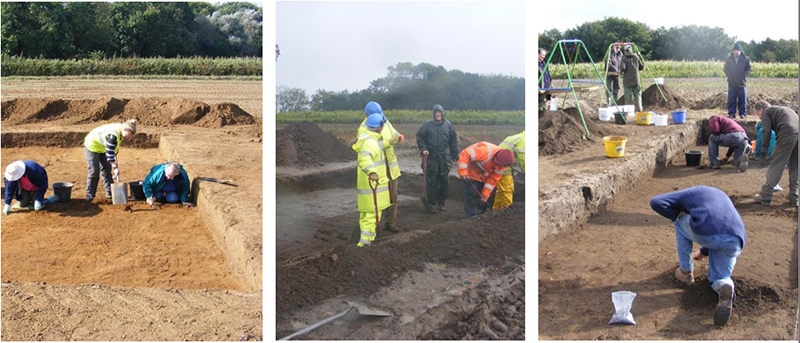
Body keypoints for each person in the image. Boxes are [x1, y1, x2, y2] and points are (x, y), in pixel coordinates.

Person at [650, 186, 747, 326]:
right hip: (736, 239)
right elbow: (718, 224)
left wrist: (677, 214)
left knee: (678, 220)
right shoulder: (716, 195)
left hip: (708, 233)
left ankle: (686, 271)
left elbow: (656, 202)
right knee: (721, 277)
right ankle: (724, 286)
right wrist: (703, 252)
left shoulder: (685, 195)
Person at [358, 101, 404, 232]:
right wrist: (389, 143)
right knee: (376, 199)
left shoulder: (384, 121)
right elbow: (371, 148)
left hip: (390, 167)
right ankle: (372, 227)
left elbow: (393, 133)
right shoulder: (363, 129)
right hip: (377, 170)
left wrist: (398, 137)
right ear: (367, 115)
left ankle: (391, 222)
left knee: (393, 196)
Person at [352, 113, 391, 247]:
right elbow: (365, 158)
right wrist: (372, 172)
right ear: (379, 127)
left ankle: (365, 240)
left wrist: (392, 141)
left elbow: (380, 145)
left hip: (370, 188)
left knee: (366, 215)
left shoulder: (371, 139)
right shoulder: (370, 142)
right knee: (371, 217)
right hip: (372, 188)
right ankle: (365, 245)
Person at [753, 101, 798, 206]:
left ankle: (765, 195)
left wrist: (763, 153)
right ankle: (795, 197)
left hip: (788, 135)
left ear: (761, 110)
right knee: (795, 167)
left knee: (776, 165)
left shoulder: (766, 112)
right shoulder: (784, 110)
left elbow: (766, 131)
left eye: (758, 115)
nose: (760, 118)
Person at [416, 104, 459, 212]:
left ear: (442, 113)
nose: (437, 114)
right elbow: (420, 137)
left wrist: (455, 155)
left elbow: (453, 141)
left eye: (439, 112)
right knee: (431, 183)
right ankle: (431, 204)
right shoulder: (427, 125)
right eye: (436, 113)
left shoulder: (448, 125)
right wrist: (423, 149)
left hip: (444, 159)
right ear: (433, 114)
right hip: (431, 159)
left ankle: (441, 203)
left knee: (444, 182)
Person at [83, 118, 139, 202]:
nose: (128, 137)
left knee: (106, 170)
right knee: (94, 171)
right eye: (127, 135)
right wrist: (115, 168)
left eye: (130, 136)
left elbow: (112, 150)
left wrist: (113, 163)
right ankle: (89, 196)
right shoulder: (113, 136)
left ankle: (110, 193)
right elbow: (109, 153)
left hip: (103, 147)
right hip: (92, 146)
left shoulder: (122, 128)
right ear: (125, 129)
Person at [457, 142, 514, 218]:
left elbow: (492, 181)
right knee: (471, 194)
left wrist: (485, 195)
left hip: (482, 173)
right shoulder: (485, 151)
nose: (500, 167)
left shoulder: (501, 166)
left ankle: (480, 216)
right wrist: (463, 171)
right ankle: (469, 216)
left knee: (481, 194)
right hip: (471, 169)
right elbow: (465, 154)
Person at [493, 131, 525, 210]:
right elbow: (523, 157)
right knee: (507, 189)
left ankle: (496, 210)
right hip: (503, 165)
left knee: (501, 191)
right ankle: (507, 211)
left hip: (499, 164)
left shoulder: (519, 137)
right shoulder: (524, 140)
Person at [723, 42, 751, 119]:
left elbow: (748, 69)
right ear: (733, 51)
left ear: (740, 51)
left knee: (742, 99)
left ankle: (742, 114)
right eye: (735, 50)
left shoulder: (745, 59)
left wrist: (743, 76)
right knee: (731, 99)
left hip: (741, 82)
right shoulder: (729, 59)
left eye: (738, 50)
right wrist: (729, 76)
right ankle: (732, 113)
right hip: (732, 82)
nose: (736, 51)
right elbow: (725, 69)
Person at [619, 45, 644, 112]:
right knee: (638, 95)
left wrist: (621, 72)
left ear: (625, 51)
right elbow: (641, 67)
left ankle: (627, 110)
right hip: (636, 80)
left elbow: (623, 68)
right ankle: (640, 109)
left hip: (627, 81)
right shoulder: (636, 57)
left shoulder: (624, 58)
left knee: (627, 96)